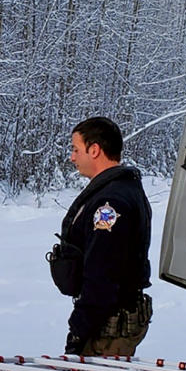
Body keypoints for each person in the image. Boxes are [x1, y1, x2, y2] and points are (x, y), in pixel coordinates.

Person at [48, 116, 152, 356]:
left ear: (94, 150)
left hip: (107, 328)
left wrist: (79, 329)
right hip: (106, 320)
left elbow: (102, 271)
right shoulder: (121, 190)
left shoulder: (110, 203)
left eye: (76, 149)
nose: (72, 157)